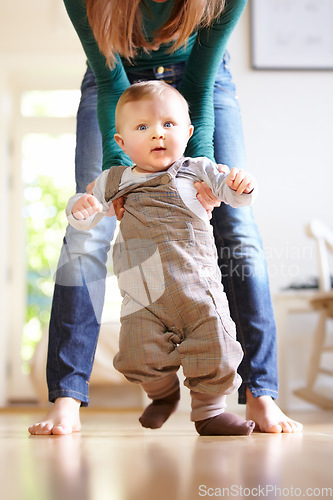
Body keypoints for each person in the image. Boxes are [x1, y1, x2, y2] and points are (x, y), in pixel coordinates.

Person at [29, 0, 302, 435]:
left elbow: (200, 81)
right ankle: (66, 400)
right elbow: (108, 77)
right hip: (115, 84)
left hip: (199, 78)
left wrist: (205, 173)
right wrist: (118, 175)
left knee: (237, 229)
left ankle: (260, 393)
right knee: (86, 233)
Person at [67, 80, 257, 436]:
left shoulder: (197, 169)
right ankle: (163, 394)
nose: (158, 134)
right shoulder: (114, 180)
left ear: (187, 132)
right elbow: (89, 214)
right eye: (143, 127)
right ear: (120, 143)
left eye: (168, 125)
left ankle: (209, 412)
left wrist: (242, 185)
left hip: (197, 289)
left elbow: (232, 192)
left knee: (216, 345)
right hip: (143, 294)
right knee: (136, 352)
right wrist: (80, 206)